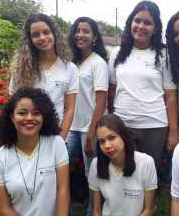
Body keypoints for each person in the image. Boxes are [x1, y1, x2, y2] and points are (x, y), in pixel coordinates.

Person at [108, 0, 179, 170]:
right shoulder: (116, 54)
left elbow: (170, 96)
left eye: (147, 23)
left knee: (148, 174)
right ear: (130, 23)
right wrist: (113, 118)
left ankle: (148, 198)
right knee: (123, 171)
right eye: (137, 20)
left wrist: (173, 131)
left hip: (154, 126)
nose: (141, 26)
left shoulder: (164, 55)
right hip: (122, 125)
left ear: (155, 28)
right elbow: (111, 90)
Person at [0, 87, 70, 216]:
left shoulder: (56, 144)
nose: (30, 118)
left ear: (44, 117)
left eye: (36, 113)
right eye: (22, 113)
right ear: (12, 117)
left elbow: (63, 189)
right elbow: (3, 209)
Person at [9, 13, 79, 140]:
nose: (42, 38)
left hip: (54, 134)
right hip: (25, 135)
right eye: (35, 35)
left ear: (54, 34)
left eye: (46, 32)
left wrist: (60, 140)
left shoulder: (69, 68)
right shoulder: (21, 68)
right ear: (30, 39)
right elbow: (13, 104)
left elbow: (69, 110)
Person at [66, 16, 109, 216]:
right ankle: (64, 209)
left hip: (89, 128)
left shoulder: (98, 63)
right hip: (71, 127)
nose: (80, 35)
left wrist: (92, 134)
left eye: (86, 31)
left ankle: (94, 212)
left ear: (94, 37)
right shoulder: (73, 63)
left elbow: (101, 102)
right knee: (59, 169)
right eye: (77, 30)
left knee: (91, 174)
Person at [88, 114, 157, 216]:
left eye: (112, 138)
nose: (107, 146)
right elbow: (96, 211)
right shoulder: (96, 164)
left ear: (123, 136)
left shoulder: (146, 162)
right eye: (101, 141)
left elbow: (149, 209)